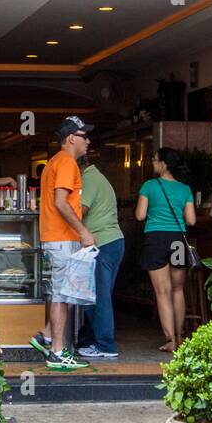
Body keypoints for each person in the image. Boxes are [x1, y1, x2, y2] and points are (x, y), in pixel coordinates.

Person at [30, 116, 94, 371]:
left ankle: (46, 336)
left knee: (64, 293)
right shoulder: (67, 162)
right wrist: (83, 232)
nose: (88, 141)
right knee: (61, 294)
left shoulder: (55, 162)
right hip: (63, 237)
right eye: (84, 136)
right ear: (71, 138)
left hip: (56, 237)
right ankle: (56, 352)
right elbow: (60, 202)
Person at [136, 147, 195, 353]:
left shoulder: (149, 186)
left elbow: (140, 215)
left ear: (164, 164)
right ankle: (179, 337)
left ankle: (170, 340)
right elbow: (191, 220)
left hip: (156, 239)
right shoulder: (185, 189)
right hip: (178, 239)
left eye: (154, 160)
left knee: (162, 292)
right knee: (178, 290)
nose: (152, 164)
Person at [75, 147, 124, 358]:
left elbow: (79, 210)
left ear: (77, 166)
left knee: (98, 297)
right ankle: (90, 339)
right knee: (97, 296)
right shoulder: (97, 177)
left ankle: (106, 345)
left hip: (103, 243)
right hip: (111, 242)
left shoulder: (90, 180)